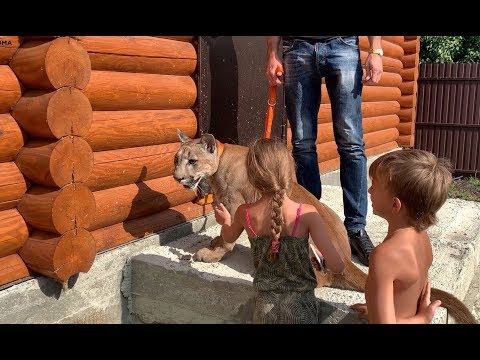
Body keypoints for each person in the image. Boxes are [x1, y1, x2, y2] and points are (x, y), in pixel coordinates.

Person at [266, 36, 384, 267]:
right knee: (302, 143)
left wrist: (376, 50)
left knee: (351, 143)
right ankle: (313, 225)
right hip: (297, 47)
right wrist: (272, 53)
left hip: (343, 45)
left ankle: (355, 230)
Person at [213, 138, 345, 323]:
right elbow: (338, 266)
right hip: (301, 308)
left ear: (251, 175)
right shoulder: (306, 214)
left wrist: (225, 220)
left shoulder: (245, 213)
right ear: (290, 170)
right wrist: (319, 261)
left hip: (264, 307)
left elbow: (228, 236)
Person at [350, 149, 451, 323]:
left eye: (374, 185)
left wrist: (423, 319)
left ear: (395, 204)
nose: (369, 190)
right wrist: (376, 308)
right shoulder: (422, 237)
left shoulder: (385, 255)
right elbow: (405, 290)